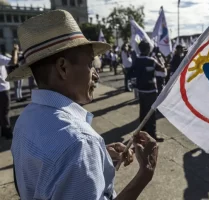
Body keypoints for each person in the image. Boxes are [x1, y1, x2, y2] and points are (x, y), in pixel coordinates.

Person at [8, 10, 158, 200]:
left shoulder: (26, 118)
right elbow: (70, 151)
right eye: (90, 64)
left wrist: (98, 157)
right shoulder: (79, 143)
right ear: (63, 68)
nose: (96, 74)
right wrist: (145, 174)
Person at [131, 40, 165, 142]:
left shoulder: (136, 60)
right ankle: (152, 135)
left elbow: (132, 74)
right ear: (148, 49)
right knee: (151, 114)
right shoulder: (152, 60)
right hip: (151, 91)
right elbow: (162, 70)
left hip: (141, 90)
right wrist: (160, 60)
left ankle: (142, 133)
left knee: (143, 112)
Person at [0, 46, 17, 140]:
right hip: (3, 90)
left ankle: (3, 131)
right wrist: (15, 50)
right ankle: (8, 133)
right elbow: (13, 62)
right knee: (5, 111)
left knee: (1, 112)